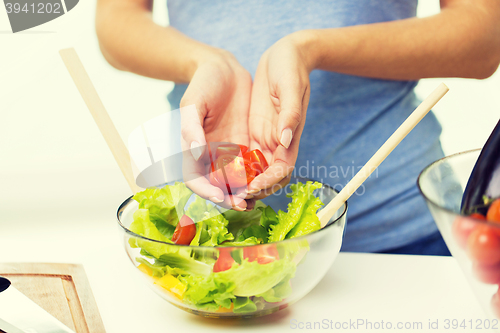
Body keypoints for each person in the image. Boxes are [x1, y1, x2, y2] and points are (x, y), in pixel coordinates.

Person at [95, 0, 500, 255]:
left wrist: (312, 49)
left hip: (401, 230)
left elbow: (484, 35)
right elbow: (117, 19)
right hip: (209, 234)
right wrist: (204, 62)